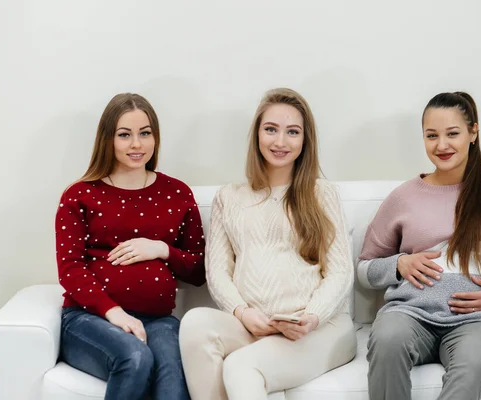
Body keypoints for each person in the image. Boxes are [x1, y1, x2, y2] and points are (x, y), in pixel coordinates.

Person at [358, 91, 481, 400]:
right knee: (387, 340)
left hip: (480, 322)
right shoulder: (405, 196)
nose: (442, 145)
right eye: (432, 136)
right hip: (410, 314)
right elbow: (365, 269)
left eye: (452, 133)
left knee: (473, 363)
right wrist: (399, 265)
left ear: (473, 132)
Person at [179, 88, 357, 399]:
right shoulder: (229, 198)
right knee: (194, 323)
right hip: (256, 324)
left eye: (292, 132)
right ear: (257, 135)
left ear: (304, 141)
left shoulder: (321, 194)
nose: (280, 141)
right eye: (271, 129)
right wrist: (243, 313)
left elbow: (340, 272)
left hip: (318, 329)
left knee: (239, 367)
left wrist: (311, 316)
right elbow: (218, 272)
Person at [55, 93, 205, 400]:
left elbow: (199, 269)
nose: (137, 144)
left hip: (160, 320)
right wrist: (114, 313)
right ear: (108, 139)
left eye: (145, 133)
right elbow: (70, 270)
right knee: (135, 357)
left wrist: (162, 249)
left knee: (174, 379)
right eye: (125, 135)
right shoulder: (80, 195)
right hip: (89, 320)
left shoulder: (177, 193)